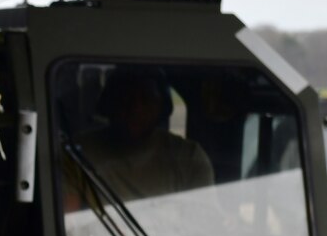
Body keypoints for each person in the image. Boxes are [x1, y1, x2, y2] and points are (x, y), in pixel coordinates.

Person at [64, 67, 215, 209]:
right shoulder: (76, 153)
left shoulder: (189, 157)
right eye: (125, 98)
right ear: (109, 103)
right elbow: (68, 224)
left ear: (162, 106)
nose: (135, 109)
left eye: (147, 99)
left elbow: (201, 225)